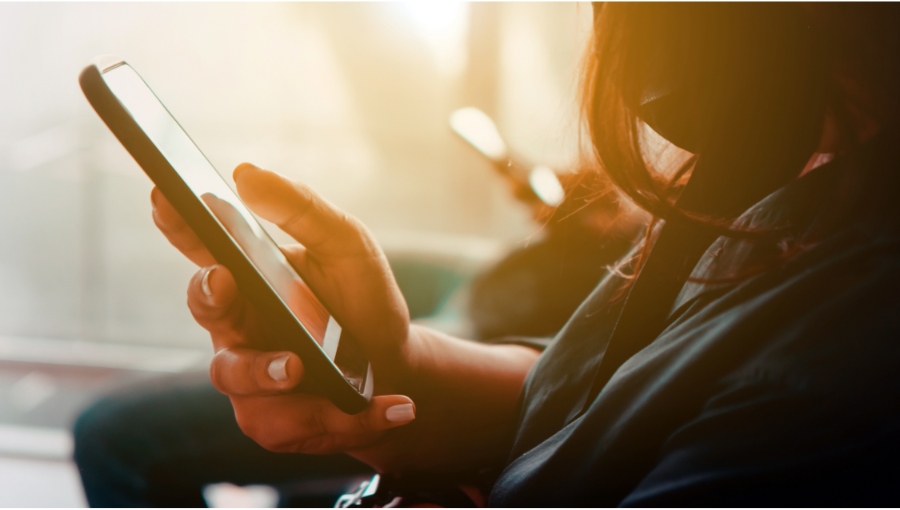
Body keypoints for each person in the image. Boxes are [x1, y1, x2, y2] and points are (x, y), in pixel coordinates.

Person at [89, 3, 900, 506]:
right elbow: (618, 407)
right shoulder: (775, 160)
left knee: (115, 433)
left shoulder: (840, 368)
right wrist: (405, 368)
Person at [72, 157, 637, 505]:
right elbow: (590, 384)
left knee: (115, 435)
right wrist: (411, 363)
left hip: (509, 320)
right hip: (496, 313)